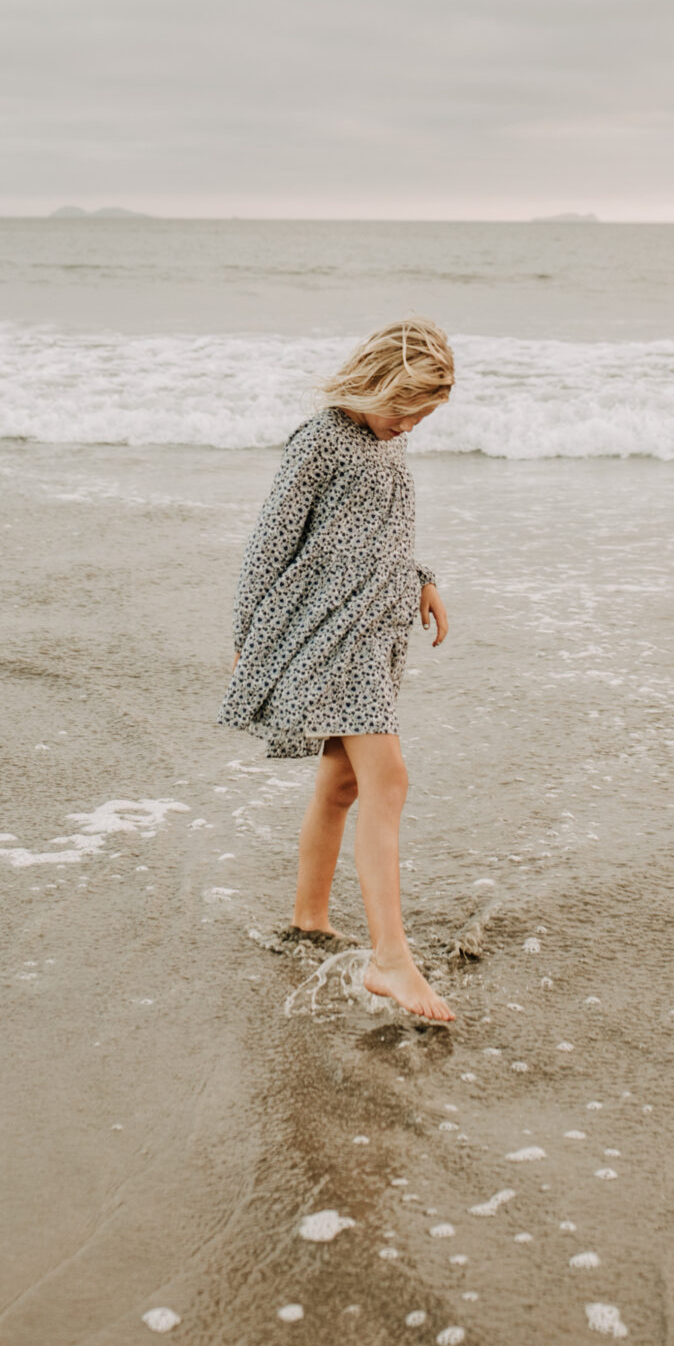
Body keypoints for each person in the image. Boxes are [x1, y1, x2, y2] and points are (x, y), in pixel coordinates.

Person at [219, 317, 456, 1022]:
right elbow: (269, 543)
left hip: (378, 631)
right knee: (389, 778)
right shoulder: (321, 441)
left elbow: (384, 533)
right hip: (334, 636)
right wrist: (247, 638)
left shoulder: (387, 446)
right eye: (403, 407)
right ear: (374, 383)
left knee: (345, 778)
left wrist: (422, 579)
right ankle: (391, 962)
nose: (410, 424)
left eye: (424, 415)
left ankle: (310, 915)